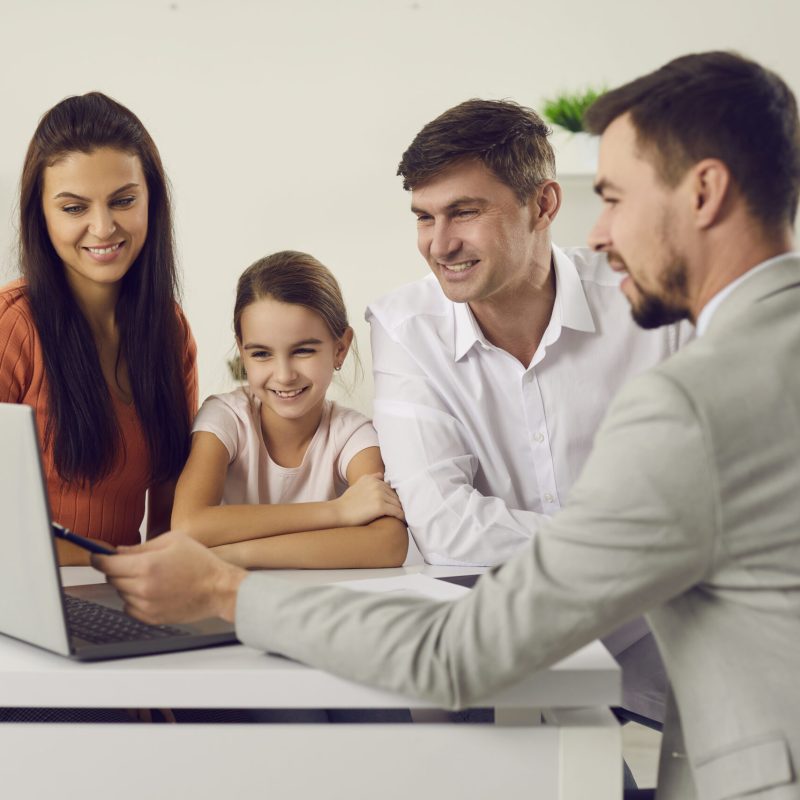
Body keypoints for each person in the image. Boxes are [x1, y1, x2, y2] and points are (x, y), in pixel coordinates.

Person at [97, 50, 800, 799]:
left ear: (704, 192)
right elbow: (444, 529)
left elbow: (456, 653)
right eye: (424, 218)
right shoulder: (757, 351)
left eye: (618, 198)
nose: (602, 234)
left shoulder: (689, 396)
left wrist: (221, 591)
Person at [368, 98, 689, 725]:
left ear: (543, 205)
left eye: (465, 212)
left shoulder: (648, 304)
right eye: (424, 217)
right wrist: (633, 548)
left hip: (662, 638)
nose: (440, 244)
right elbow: (445, 528)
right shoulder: (405, 327)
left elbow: (701, 503)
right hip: (501, 644)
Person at [0, 92, 197, 566]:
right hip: (26, 599)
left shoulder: (168, 329)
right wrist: (113, 565)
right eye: (73, 208)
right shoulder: (12, 327)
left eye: (123, 200)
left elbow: (170, 506)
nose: (103, 227)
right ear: (41, 215)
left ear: (152, 199)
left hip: (122, 596)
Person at [171, 250, 408, 569]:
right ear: (241, 351)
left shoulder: (353, 435)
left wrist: (229, 555)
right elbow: (188, 526)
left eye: (303, 351)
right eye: (261, 354)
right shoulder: (225, 417)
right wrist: (337, 512)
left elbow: (389, 544)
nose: (283, 375)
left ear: (340, 349)